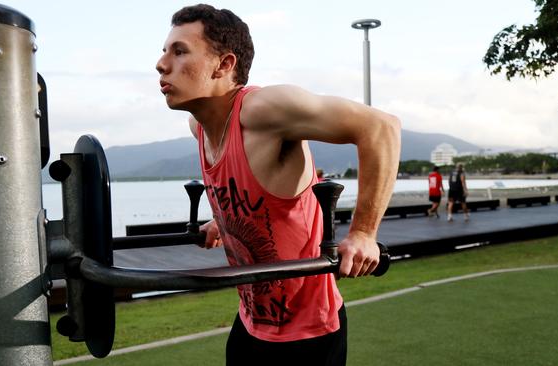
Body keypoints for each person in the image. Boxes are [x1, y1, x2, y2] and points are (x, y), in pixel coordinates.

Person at [155, 5, 400, 365]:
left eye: (179, 51)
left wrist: (363, 233)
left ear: (224, 65)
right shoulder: (200, 128)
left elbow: (381, 127)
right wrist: (224, 220)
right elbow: (262, 194)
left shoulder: (263, 109)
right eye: (164, 52)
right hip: (250, 324)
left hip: (310, 334)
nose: (161, 64)